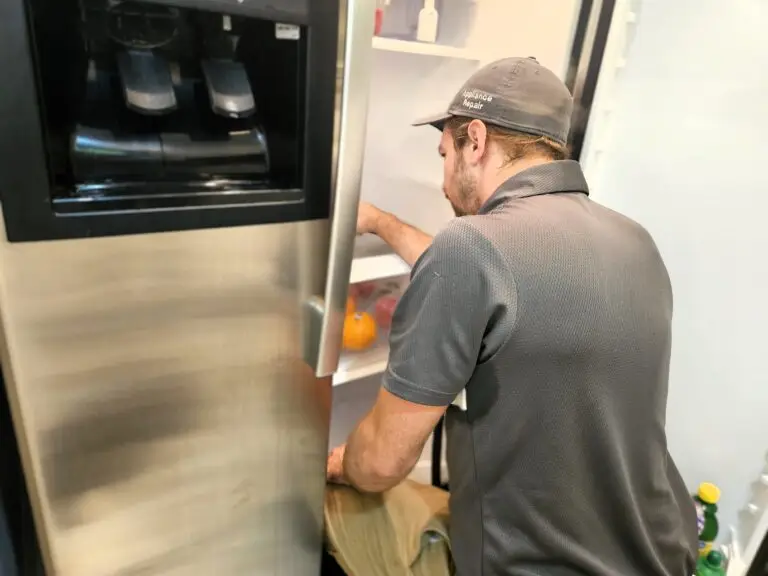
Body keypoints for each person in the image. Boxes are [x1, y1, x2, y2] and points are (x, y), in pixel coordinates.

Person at [326, 57, 697, 576]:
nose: (442, 182)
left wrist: (340, 463)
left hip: (533, 567)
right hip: (663, 553)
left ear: (474, 141)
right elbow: (494, 277)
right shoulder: (635, 240)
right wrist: (383, 223)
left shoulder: (470, 250)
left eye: (444, 154)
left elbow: (382, 464)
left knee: (327, 511)